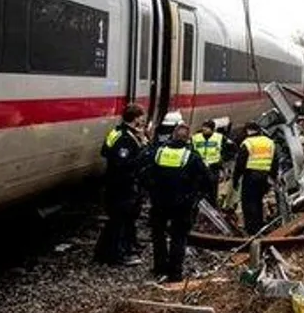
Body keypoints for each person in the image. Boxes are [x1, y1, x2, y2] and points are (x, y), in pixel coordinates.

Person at [144, 123, 212, 282]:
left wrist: (152, 192)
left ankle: (159, 267)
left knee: (158, 235)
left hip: (159, 202)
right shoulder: (191, 156)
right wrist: (197, 196)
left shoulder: (159, 152)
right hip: (182, 204)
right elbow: (207, 179)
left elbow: (147, 174)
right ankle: (175, 272)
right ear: (187, 139)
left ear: (173, 136)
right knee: (178, 237)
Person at [95, 103, 147, 267]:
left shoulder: (116, 132)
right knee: (119, 220)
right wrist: (142, 154)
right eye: (141, 117)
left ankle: (105, 251)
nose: (143, 120)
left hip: (117, 183)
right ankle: (116, 254)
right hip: (122, 185)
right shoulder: (125, 138)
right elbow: (123, 162)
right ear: (136, 118)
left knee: (118, 220)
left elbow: (105, 151)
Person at [233, 121, 278, 235]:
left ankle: (252, 229)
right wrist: (273, 176)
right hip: (264, 176)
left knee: (248, 202)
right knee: (258, 201)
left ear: (248, 130)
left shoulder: (248, 143)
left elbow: (240, 163)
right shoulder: (269, 142)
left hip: (250, 176)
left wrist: (236, 179)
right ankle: (259, 225)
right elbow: (275, 162)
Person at [191, 120, 231, 205]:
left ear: (212, 129)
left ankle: (212, 207)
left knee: (212, 192)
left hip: (213, 168)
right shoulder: (195, 137)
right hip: (199, 168)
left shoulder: (220, 137)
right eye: (204, 127)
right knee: (197, 191)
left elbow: (231, 149)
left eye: (207, 127)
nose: (204, 129)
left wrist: (222, 160)